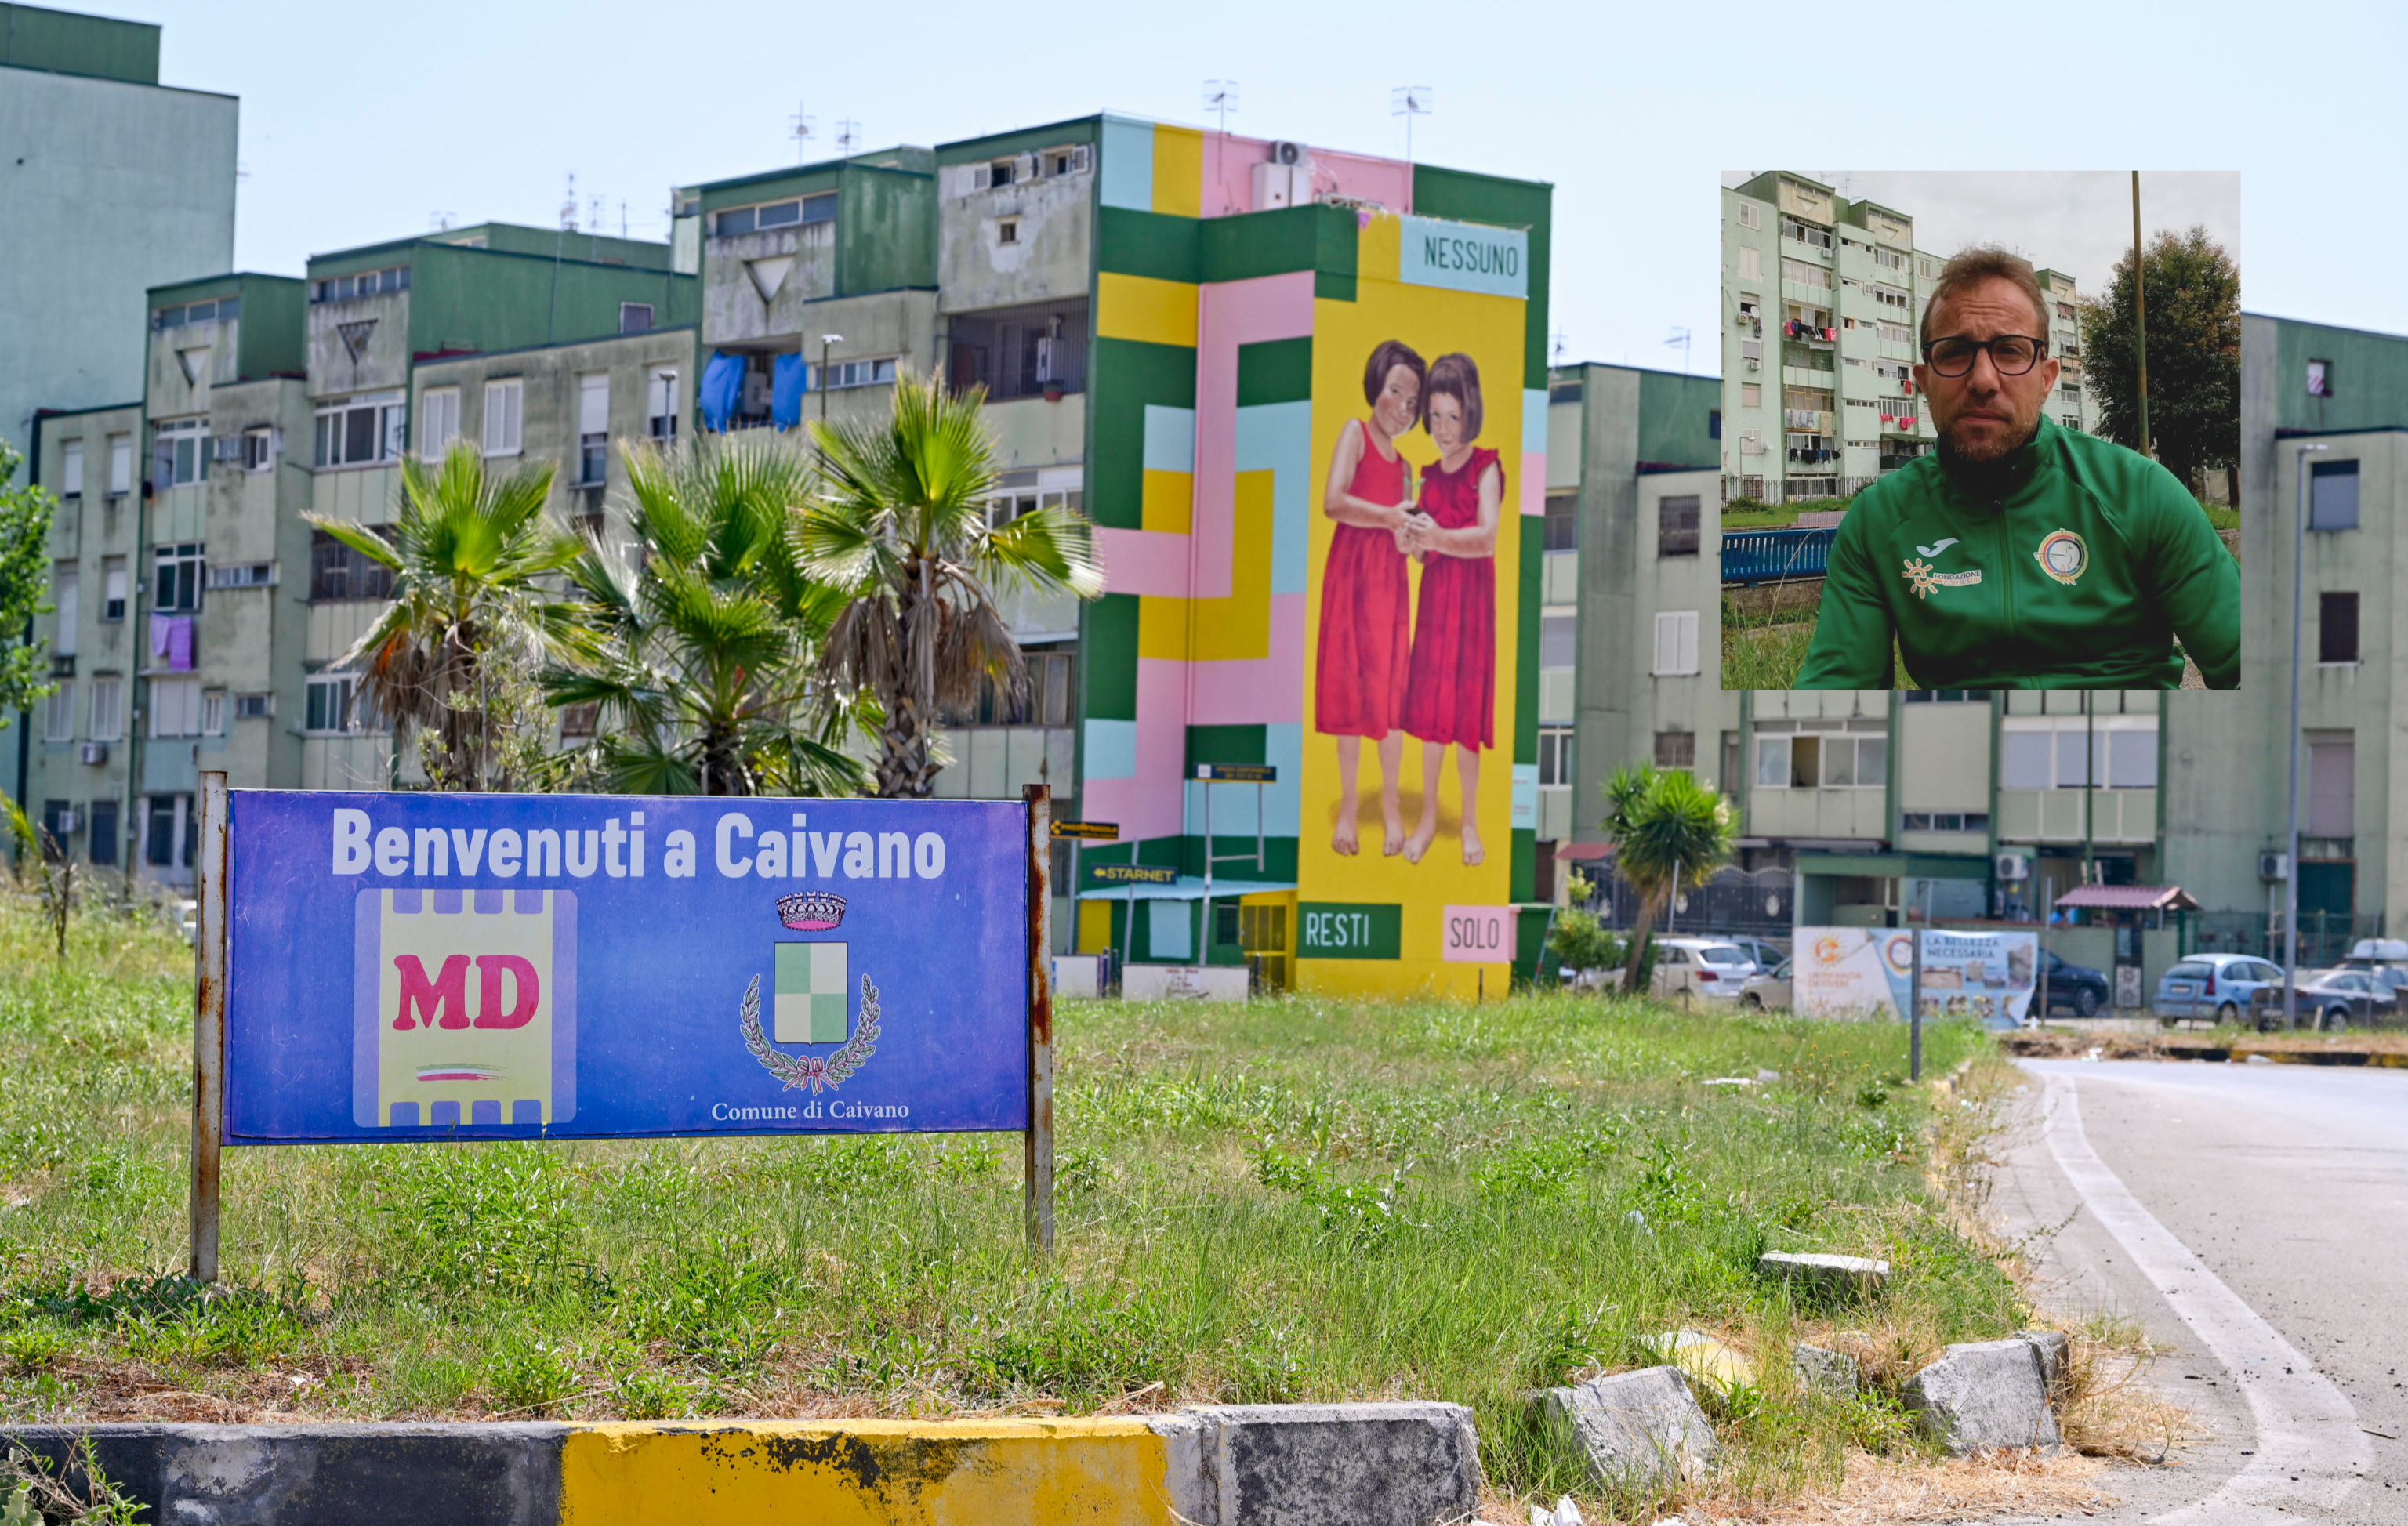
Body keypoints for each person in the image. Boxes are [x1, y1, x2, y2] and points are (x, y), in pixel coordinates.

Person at [1795, 247, 2240, 689]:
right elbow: (1833, 702)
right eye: (1954, 352)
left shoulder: (2139, 492)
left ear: (2047, 378)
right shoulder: (1879, 521)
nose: (1983, 380)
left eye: (2010, 351)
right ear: (1924, 381)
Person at [1315, 339, 1425, 855]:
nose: (1401, 406)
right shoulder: (1354, 434)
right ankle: (1349, 811)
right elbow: (1333, 501)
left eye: (1412, 402)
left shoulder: (1406, 466)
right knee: (1349, 688)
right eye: (1395, 391)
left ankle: (1389, 809)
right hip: (1350, 573)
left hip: (1389, 583)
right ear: (1375, 386)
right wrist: (1387, 517)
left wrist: (1413, 538)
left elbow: (1404, 540)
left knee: (1389, 695)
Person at [1398, 352, 1503, 866]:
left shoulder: (1487, 467)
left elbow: (1487, 538)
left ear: (1471, 413)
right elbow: (1423, 553)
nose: (1442, 428)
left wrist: (1436, 535)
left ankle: (1468, 823)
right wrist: (1413, 541)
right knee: (1434, 716)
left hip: (1473, 606)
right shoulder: (1426, 476)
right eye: (1434, 416)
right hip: (1438, 604)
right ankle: (1429, 819)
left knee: (1464, 716)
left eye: (1452, 416)